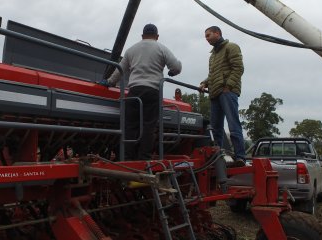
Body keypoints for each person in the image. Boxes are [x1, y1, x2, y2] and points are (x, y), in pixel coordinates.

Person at [102, 23, 182, 160]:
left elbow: (119, 70)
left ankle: (127, 158)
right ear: (157, 36)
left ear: (142, 36)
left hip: (134, 91)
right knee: (149, 126)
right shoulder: (161, 48)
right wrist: (172, 72)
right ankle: (144, 158)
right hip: (153, 91)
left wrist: (109, 82)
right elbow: (176, 67)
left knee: (130, 125)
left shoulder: (131, 50)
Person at [199, 26, 246, 165]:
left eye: (208, 35)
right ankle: (217, 157)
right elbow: (213, 75)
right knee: (216, 128)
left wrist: (228, 86)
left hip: (227, 92)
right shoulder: (212, 56)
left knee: (233, 124)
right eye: (205, 36)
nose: (206, 38)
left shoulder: (231, 47)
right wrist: (205, 83)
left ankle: (240, 157)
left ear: (217, 33)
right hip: (215, 93)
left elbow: (238, 68)